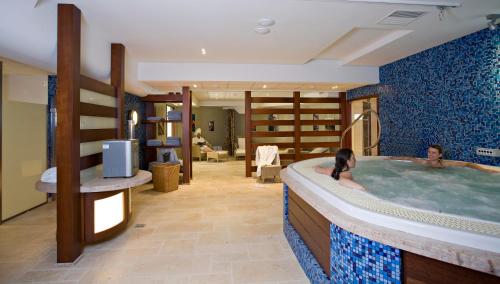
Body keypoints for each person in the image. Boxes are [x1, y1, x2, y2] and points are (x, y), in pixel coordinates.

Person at [389, 144, 497, 173]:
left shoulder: (444, 164)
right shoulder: (423, 162)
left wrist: (485, 170)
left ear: (440, 155)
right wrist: (392, 158)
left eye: (434, 153)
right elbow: (408, 158)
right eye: (429, 152)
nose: (430, 155)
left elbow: (467, 164)